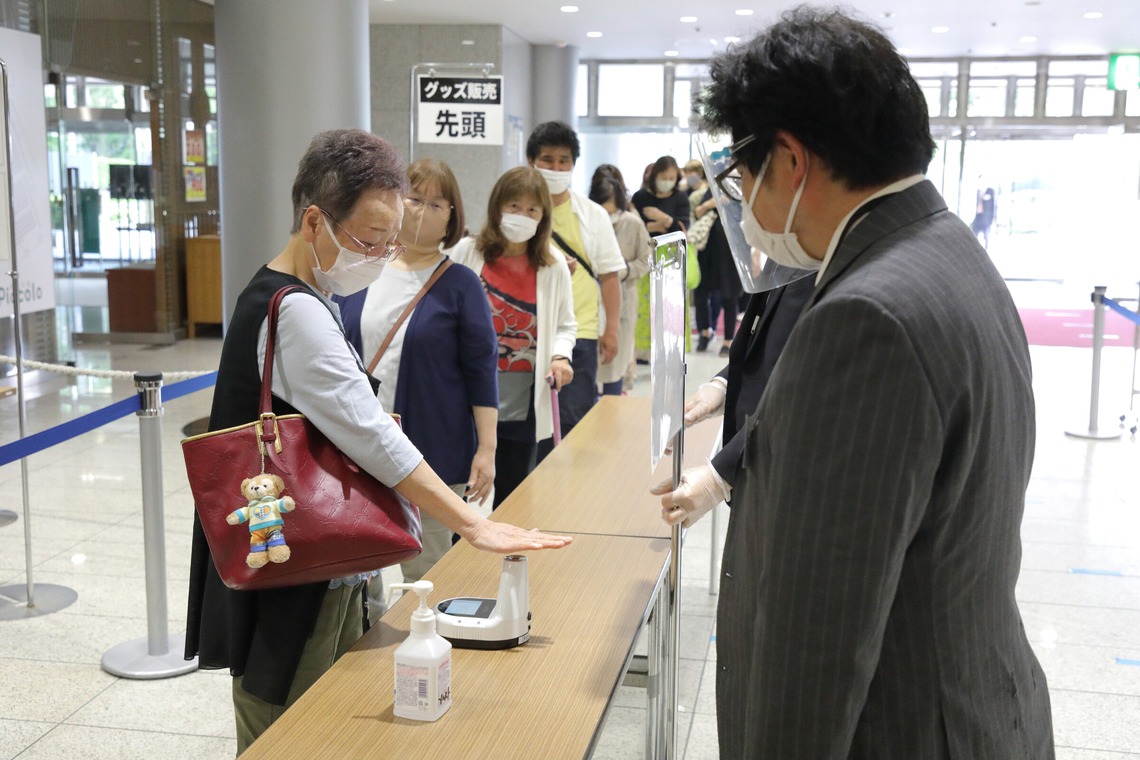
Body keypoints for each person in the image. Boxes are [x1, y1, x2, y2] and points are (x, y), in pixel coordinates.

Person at [654, 8, 1054, 758]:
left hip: (898, 728)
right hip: (974, 703)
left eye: (744, 177)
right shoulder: (948, 252)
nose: (747, 208)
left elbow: (818, 632)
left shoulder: (865, 316)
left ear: (791, 160)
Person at [184, 130, 571, 754]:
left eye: (389, 240)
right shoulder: (298, 309)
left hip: (290, 549)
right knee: (292, 725)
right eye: (369, 240)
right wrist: (472, 524)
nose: (381, 253)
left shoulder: (292, 293)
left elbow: (341, 420)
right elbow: (370, 437)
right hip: (293, 568)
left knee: (316, 714)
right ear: (314, 221)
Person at [334, 158, 498, 593]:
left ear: (453, 217)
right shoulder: (360, 272)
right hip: (357, 446)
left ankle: (436, 650)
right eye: (415, 199)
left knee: (430, 570)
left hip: (435, 450)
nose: (424, 210)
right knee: (355, 565)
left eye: (437, 203)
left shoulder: (461, 283)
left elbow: (482, 368)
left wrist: (487, 448)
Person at [449, 166, 577, 507]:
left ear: (543, 216)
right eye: (514, 206)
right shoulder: (466, 252)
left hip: (523, 404)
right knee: (462, 497)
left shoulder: (553, 266)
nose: (523, 215)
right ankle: (462, 561)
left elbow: (566, 324)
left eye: (532, 209)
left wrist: (560, 356)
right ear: (497, 207)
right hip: (467, 397)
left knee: (513, 498)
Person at [525, 121, 625, 458]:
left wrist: (610, 330)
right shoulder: (515, 211)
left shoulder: (593, 215)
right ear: (531, 161)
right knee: (527, 431)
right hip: (526, 335)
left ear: (573, 164)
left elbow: (610, 277)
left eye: (563, 161)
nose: (555, 168)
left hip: (578, 335)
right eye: (547, 159)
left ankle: (565, 503)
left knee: (573, 426)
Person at [589, 173, 651, 395]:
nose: (610, 217)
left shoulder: (633, 224)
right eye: (604, 212)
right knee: (591, 363)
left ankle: (614, 400)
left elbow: (646, 260)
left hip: (624, 301)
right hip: (591, 302)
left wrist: (622, 271)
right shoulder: (587, 223)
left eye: (613, 211)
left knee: (616, 361)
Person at [690, 188, 743, 356]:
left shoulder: (740, 187)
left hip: (731, 253)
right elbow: (698, 212)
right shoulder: (712, 187)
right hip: (707, 252)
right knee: (701, 294)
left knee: (730, 296)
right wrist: (711, 203)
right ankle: (704, 332)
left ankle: (728, 340)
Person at [631, 155, 690, 237]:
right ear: (655, 176)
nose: (667, 182)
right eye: (663, 178)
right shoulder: (640, 196)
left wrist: (662, 217)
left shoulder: (681, 197)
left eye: (672, 179)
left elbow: (682, 229)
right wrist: (656, 227)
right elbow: (631, 227)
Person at [972, 179, 996, 249]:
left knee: (986, 236)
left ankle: (985, 250)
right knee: (975, 233)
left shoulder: (990, 191)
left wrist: (993, 218)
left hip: (986, 218)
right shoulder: (977, 191)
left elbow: (993, 205)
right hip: (978, 217)